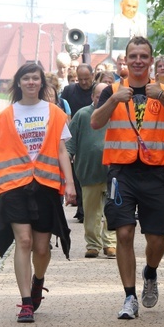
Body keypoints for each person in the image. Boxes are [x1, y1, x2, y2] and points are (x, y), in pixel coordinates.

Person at [91, 36, 164, 320]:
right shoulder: (112, 90)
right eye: (133, 55)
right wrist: (114, 102)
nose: (138, 61)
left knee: (156, 239)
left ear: (151, 60)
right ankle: (129, 296)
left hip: (155, 172)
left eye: (143, 56)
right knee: (123, 232)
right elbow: (96, 121)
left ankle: (150, 272)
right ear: (125, 59)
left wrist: (162, 97)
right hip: (121, 173)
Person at [0, 62, 76, 324]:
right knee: (23, 241)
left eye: (36, 78)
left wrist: (69, 184)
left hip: (45, 186)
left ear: (42, 83)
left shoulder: (55, 114)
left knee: (42, 247)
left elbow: (61, 152)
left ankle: (38, 282)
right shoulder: (6, 117)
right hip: (14, 187)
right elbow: (1, 157)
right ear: (19, 83)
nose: (31, 82)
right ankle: (25, 302)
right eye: (26, 79)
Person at [68, 83, 117, 258]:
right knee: (91, 212)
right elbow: (70, 142)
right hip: (89, 171)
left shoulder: (117, 114)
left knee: (112, 209)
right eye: (98, 96)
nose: (101, 100)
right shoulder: (82, 115)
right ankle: (93, 244)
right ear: (92, 97)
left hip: (113, 172)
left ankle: (110, 243)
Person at [60, 63, 94, 223]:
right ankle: (81, 208)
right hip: (73, 133)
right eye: (80, 79)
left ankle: (86, 208)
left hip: (91, 132)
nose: (84, 82)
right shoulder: (69, 91)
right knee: (76, 171)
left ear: (92, 77)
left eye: (86, 79)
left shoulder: (96, 92)